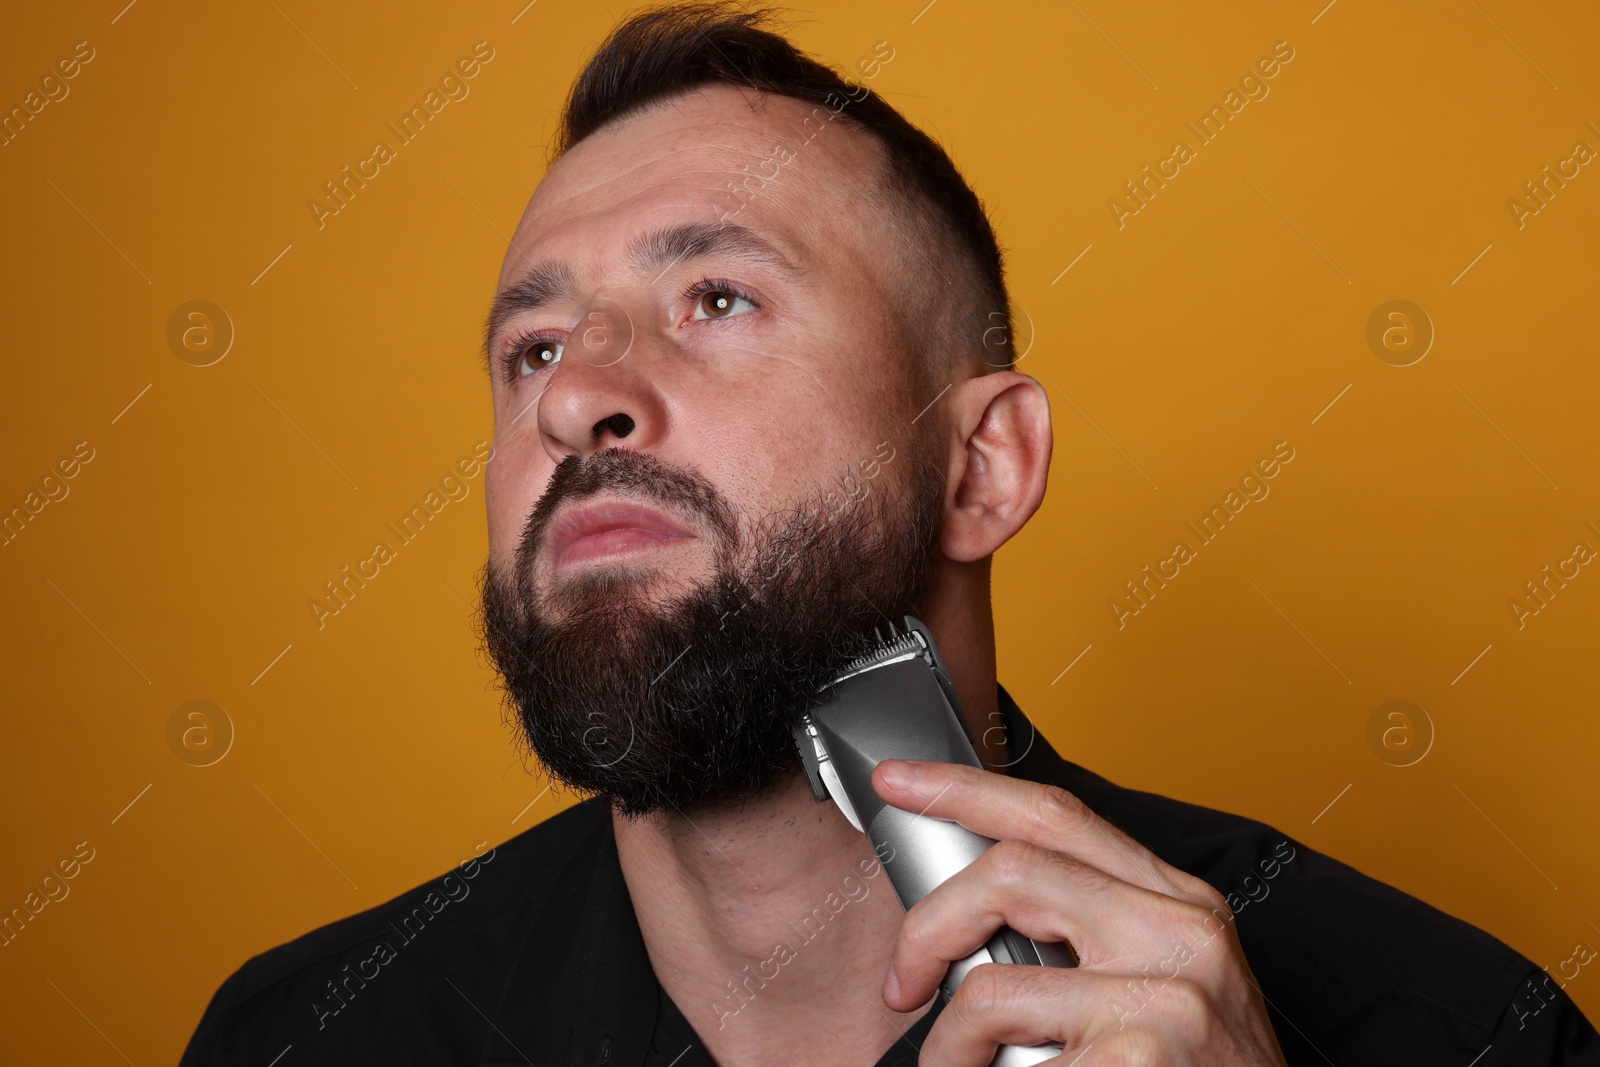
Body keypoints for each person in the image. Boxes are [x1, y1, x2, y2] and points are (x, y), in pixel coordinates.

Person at [180, 4, 1600, 1064]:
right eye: (533, 349)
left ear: (981, 467)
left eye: (717, 300)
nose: (581, 399)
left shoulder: (1455, 1028)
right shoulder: (305, 1036)